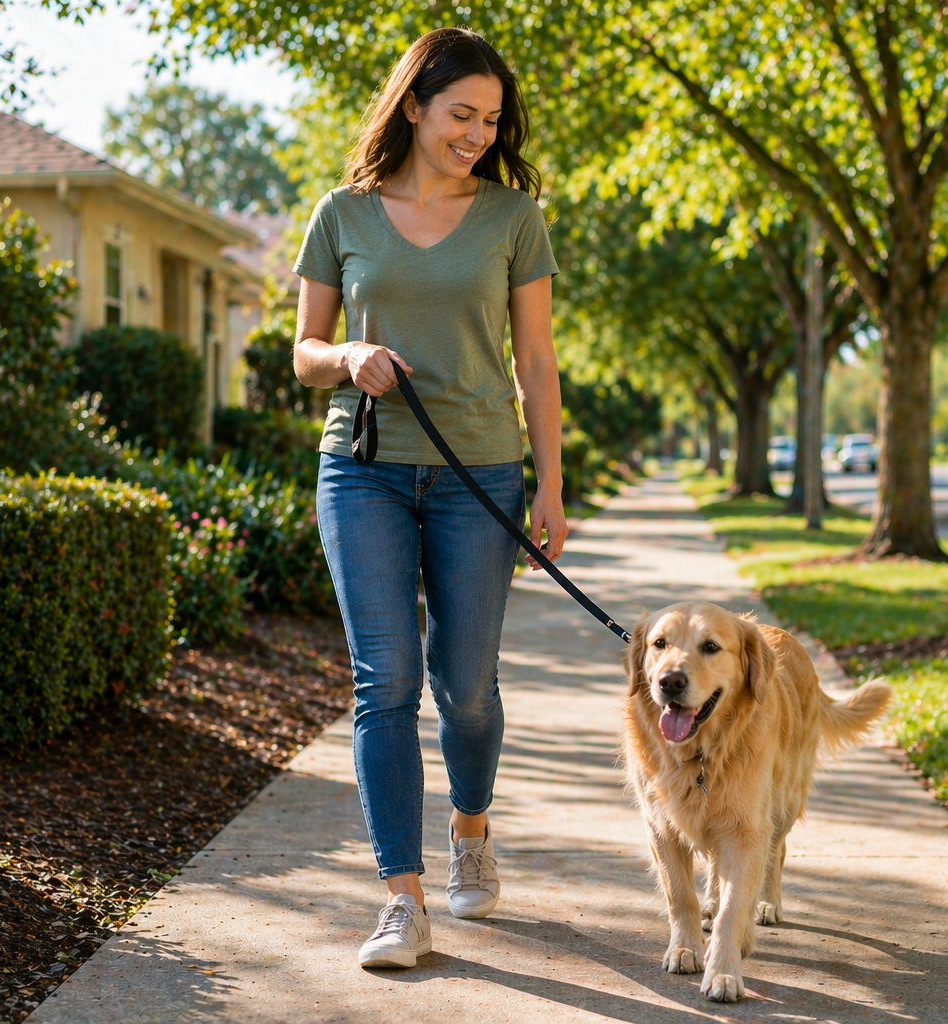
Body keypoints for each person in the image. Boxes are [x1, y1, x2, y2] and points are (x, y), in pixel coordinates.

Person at [292, 27, 566, 970]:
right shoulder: (341, 214)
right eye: (460, 114)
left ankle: (471, 830)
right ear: (413, 105)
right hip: (361, 466)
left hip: (478, 473)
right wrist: (347, 355)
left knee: (467, 687)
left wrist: (550, 485)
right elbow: (304, 353)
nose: (477, 135)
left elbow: (536, 360)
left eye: (490, 120)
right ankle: (401, 901)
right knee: (386, 681)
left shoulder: (513, 218)